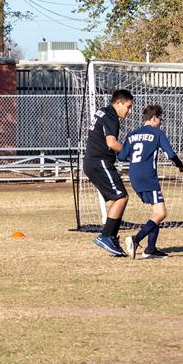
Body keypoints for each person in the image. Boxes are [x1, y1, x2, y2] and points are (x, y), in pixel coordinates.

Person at [118, 105, 183, 259]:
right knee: (161, 213)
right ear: (154, 118)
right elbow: (170, 154)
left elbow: (121, 157)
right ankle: (135, 240)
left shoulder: (132, 134)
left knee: (156, 213)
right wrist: (180, 165)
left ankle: (151, 249)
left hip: (134, 176)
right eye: (160, 119)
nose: (161, 122)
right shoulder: (157, 133)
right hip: (148, 177)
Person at [83, 89, 133, 257]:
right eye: (128, 106)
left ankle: (110, 237)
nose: (129, 111)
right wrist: (129, 153)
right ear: (118, 103)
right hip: (99, 162)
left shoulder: (103, 112)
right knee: (121, 197)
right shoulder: (111, 116)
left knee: (120, 197)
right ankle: (106, 236)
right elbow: (111, 143)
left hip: (95, 162)